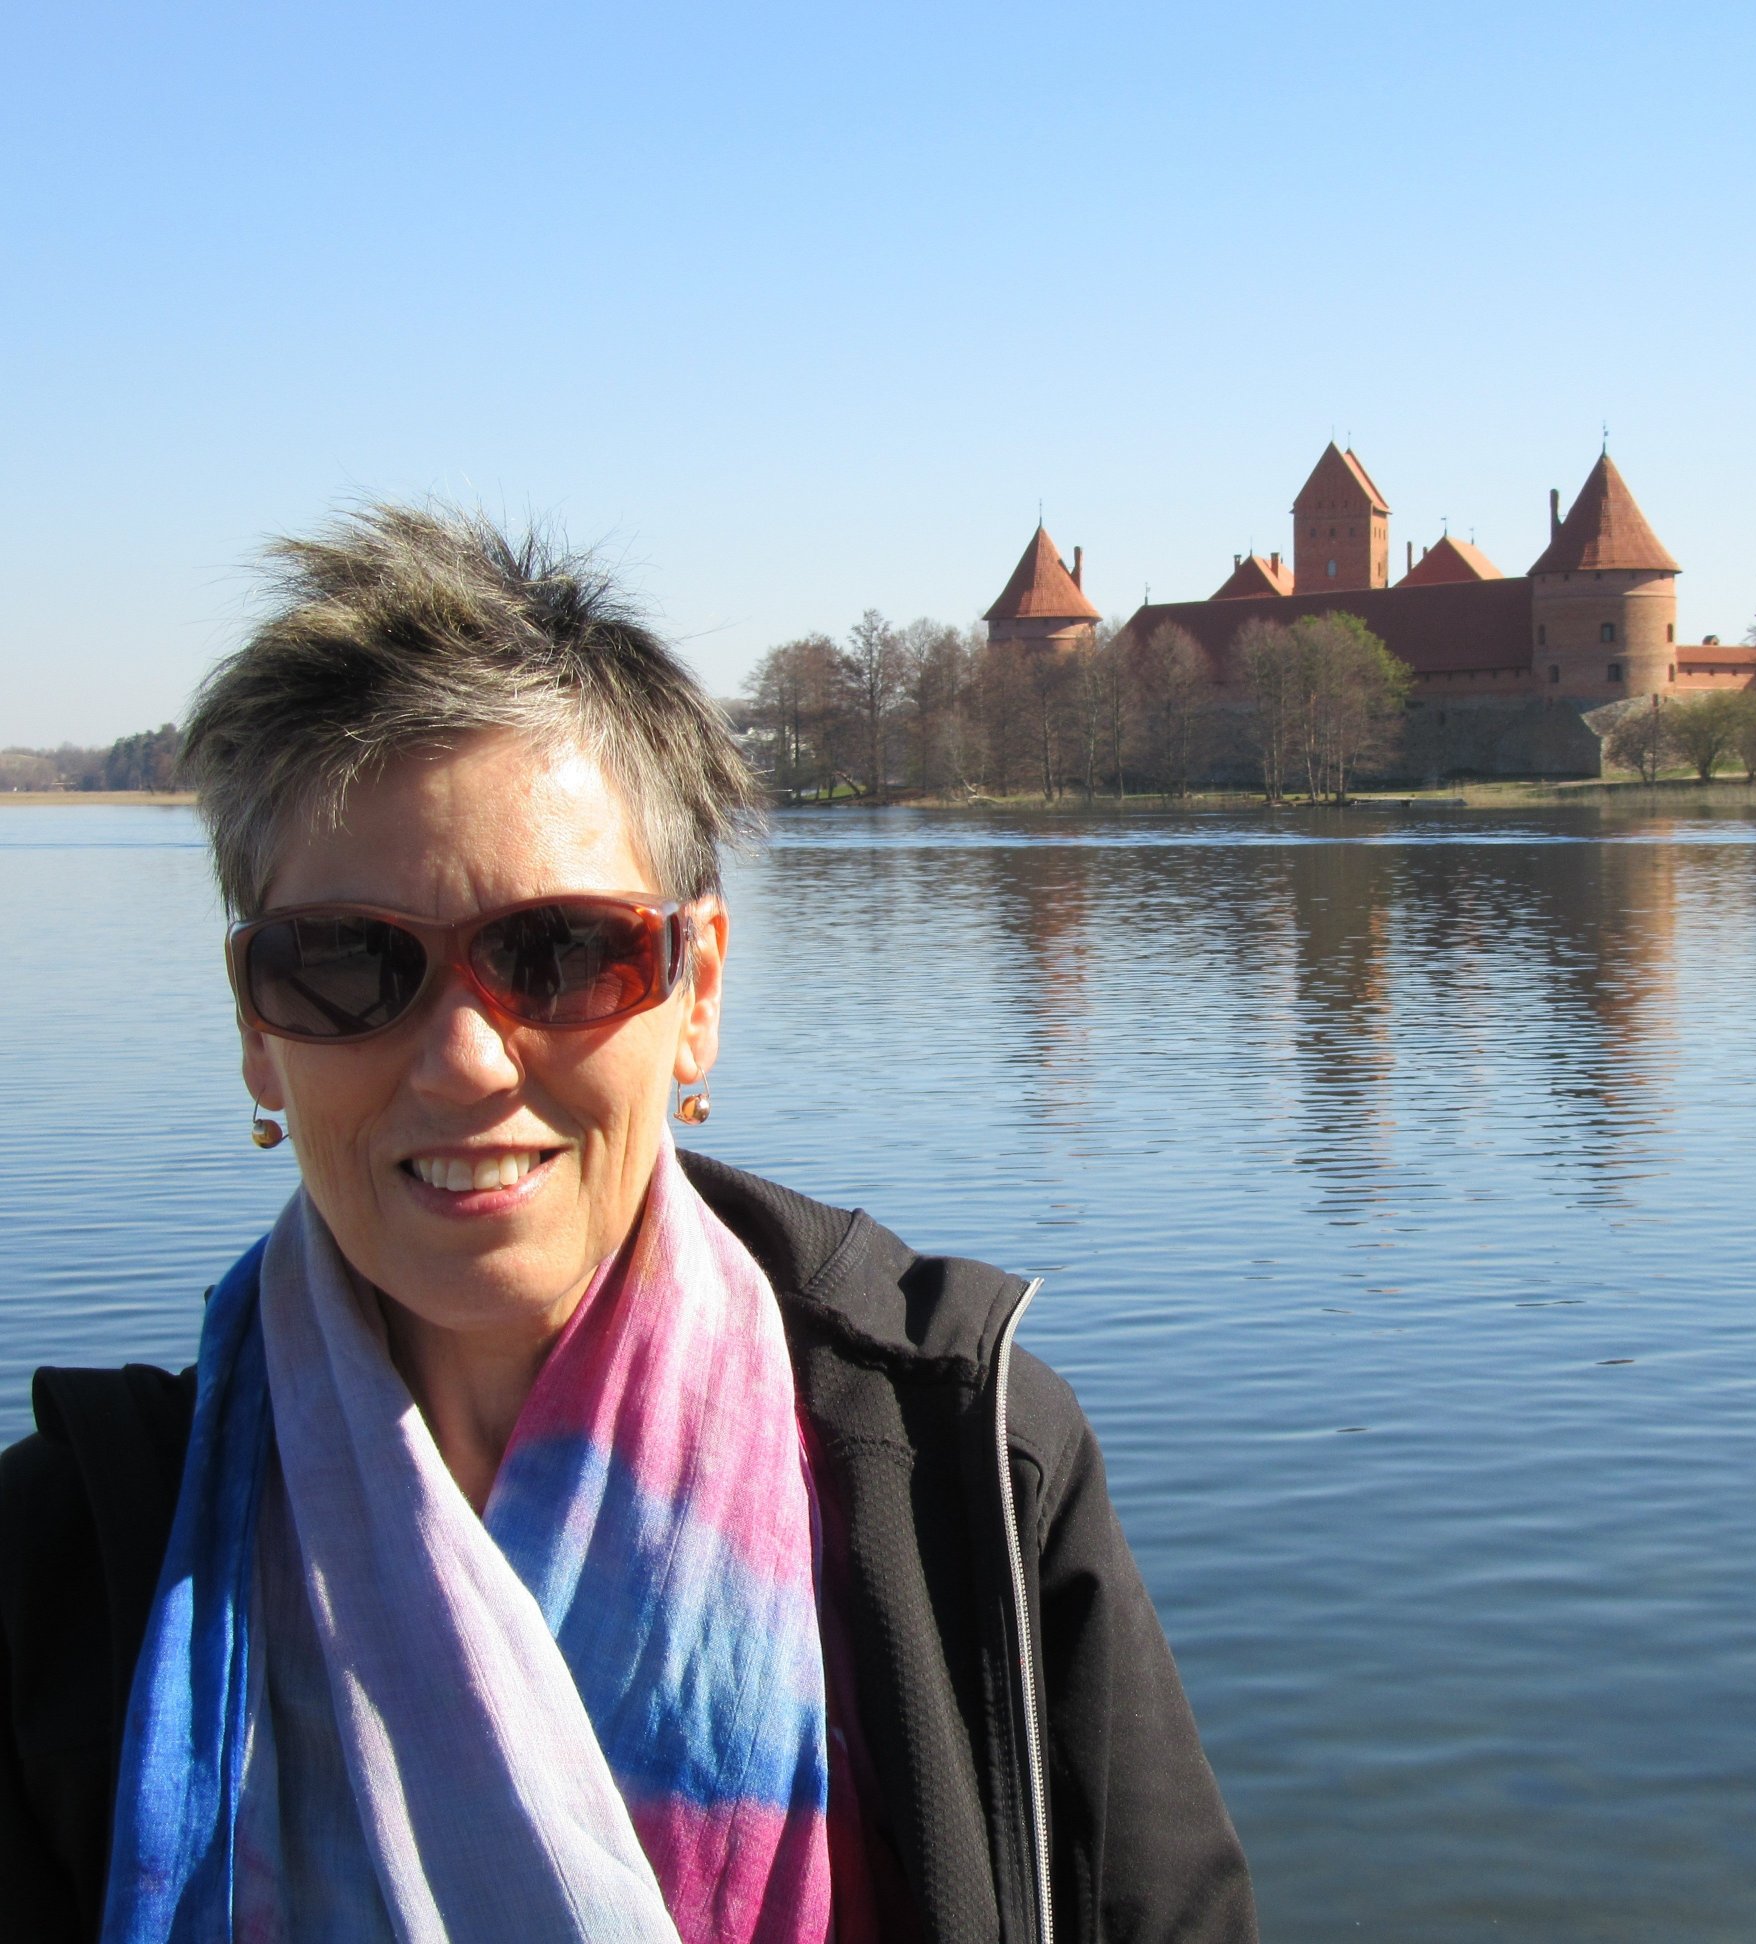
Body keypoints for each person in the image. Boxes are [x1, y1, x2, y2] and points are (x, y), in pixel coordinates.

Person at [0, 506, 1256, 1942]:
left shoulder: (958, 1478)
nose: (466, 1059)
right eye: (350, 963)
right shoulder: (64, 1573)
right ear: (255, 1032)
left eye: (561, 952)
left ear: (697, 990)